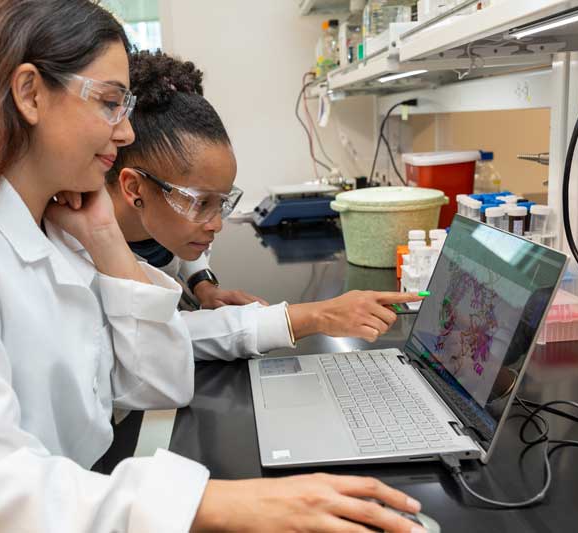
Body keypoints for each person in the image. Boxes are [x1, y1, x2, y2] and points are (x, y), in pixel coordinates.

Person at [0, 2, 425, 532]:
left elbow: (157, 382)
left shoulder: (55, 229)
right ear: (29, 94)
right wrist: (213, 503)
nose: (125, 130)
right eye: (108, 103)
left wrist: (105, 237)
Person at [102, 50, 422, 361]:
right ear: (134, 188)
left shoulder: (155, 216)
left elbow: (174, 243)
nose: (216, 224)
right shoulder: (89, 251)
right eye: (201, 203)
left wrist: (203, 285)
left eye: (222, 203)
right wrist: (316, 315)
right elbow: (166, 337)